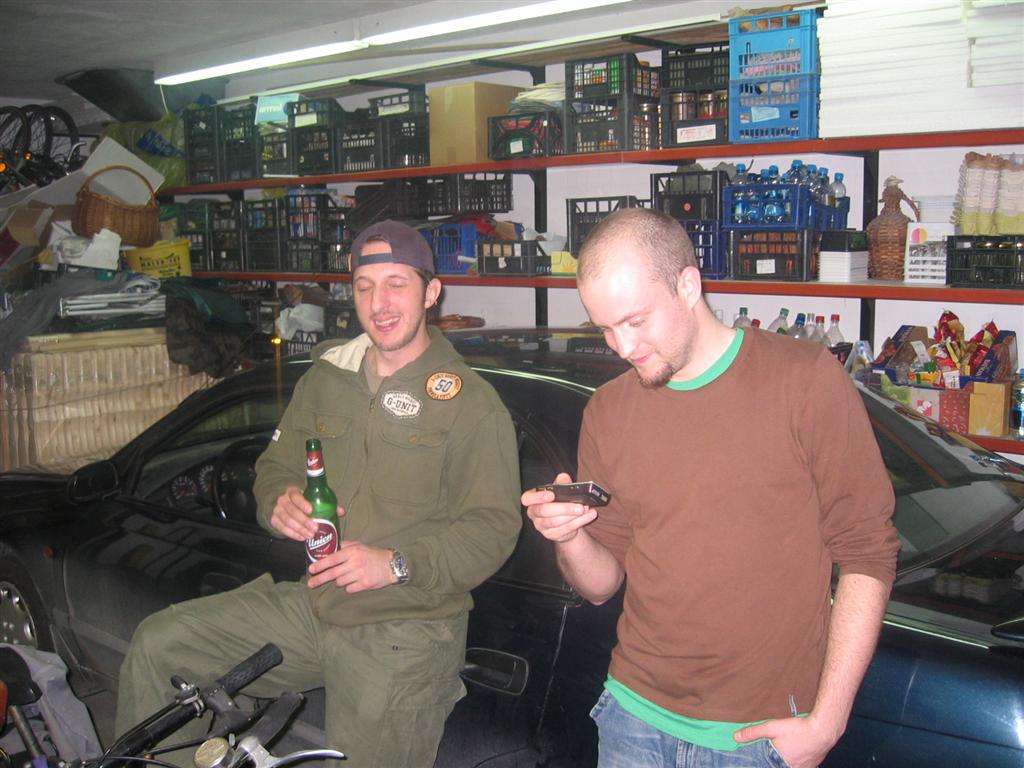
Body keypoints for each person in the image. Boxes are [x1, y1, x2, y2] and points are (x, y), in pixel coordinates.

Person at [116, 220, 523, 768]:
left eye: (396, 284)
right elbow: (274, 467)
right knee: (162, 644)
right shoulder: (327, 378)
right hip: (317, 604)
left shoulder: (472, 404)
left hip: (407, 628)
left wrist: (395, 564)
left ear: (431, 292)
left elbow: (492, 530)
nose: (379, 303)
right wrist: (278, 501)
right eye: (364, 286)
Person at [522, 208, 900, 768]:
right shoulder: (610, 410)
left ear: (688, 285)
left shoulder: (803, 379)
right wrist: (569, 537)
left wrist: (827, 721)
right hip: (632, 717)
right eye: (605, 328)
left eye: (635, 321)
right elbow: (601, 586)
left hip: (756, 736)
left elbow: (868, 550)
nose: (622, 346)